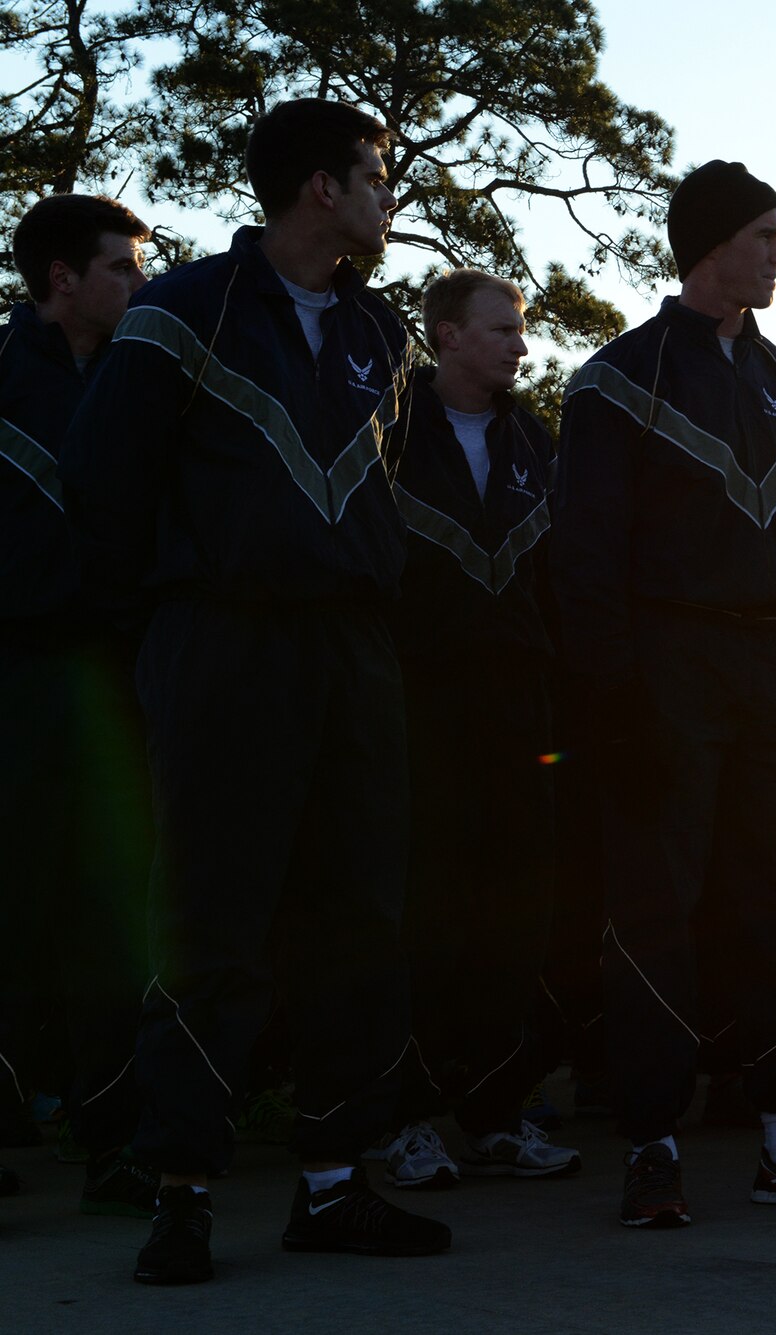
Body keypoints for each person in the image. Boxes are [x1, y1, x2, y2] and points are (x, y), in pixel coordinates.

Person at [61, 99, 449, 1285]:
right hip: (220, 644)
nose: (389, 194)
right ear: (322, 188)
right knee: (210, 919)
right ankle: (180, 1192)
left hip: (352, 652)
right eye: (376, 174)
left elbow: (387, 493)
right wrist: (169, 638)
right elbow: (103, 487)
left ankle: (334, 1182)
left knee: (360, 918)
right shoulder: (183, 311)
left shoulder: (384, 333)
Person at [553, 159, 776, 1226]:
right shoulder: (616, 378)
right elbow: (585, 558)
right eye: (764, 235)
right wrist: (614, 703)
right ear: (710, 244)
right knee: (658, 911)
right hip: (669, 668)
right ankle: (651, 1145)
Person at [374, 268, 580, 1186]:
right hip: (417, 707)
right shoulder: (388, 429)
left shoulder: (533, 438)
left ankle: (495, 1114)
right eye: (502, 329)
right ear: (447, 335)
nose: (520, 345)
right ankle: (405, 1118)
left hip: (519, 712)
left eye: (522, 330)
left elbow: (559, 579)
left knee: (514, 916)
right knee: (423, 916)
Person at [0, 193, 155, 1215]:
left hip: (122, 685)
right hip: (15, 683)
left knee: (115, 920)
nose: (141, 282)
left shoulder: (145, 379)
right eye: (123, 266)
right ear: (63, 278)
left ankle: (115, 1146)